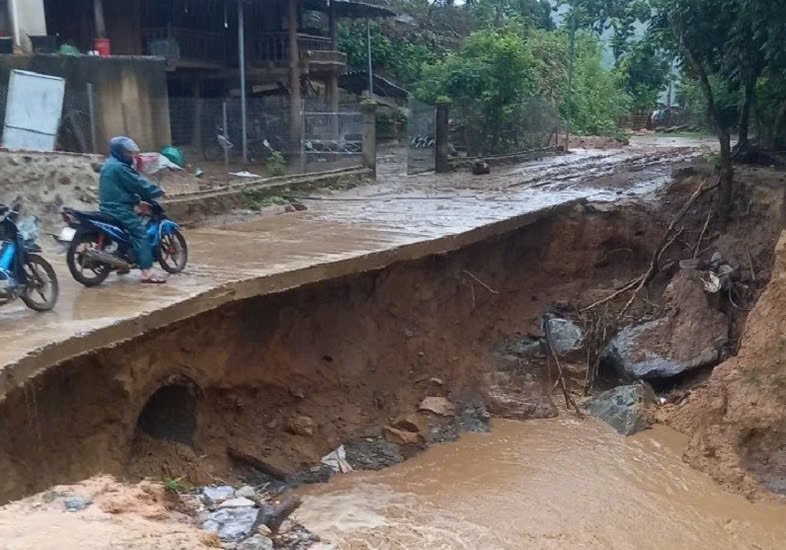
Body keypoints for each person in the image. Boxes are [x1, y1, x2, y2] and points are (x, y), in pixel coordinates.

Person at [99, 136, 166, 284]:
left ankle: (121, 265)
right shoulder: (120, 168)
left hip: (108, 206)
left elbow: (120, 189)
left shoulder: (109, 164)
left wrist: (137, 201)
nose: (130, 156)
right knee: (140, 233)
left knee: (124, 234)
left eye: (130, 153)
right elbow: (138, 184)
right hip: (119, 209)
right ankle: (147, 273)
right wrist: (156, 191)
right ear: (119, 152)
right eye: (127, 153)